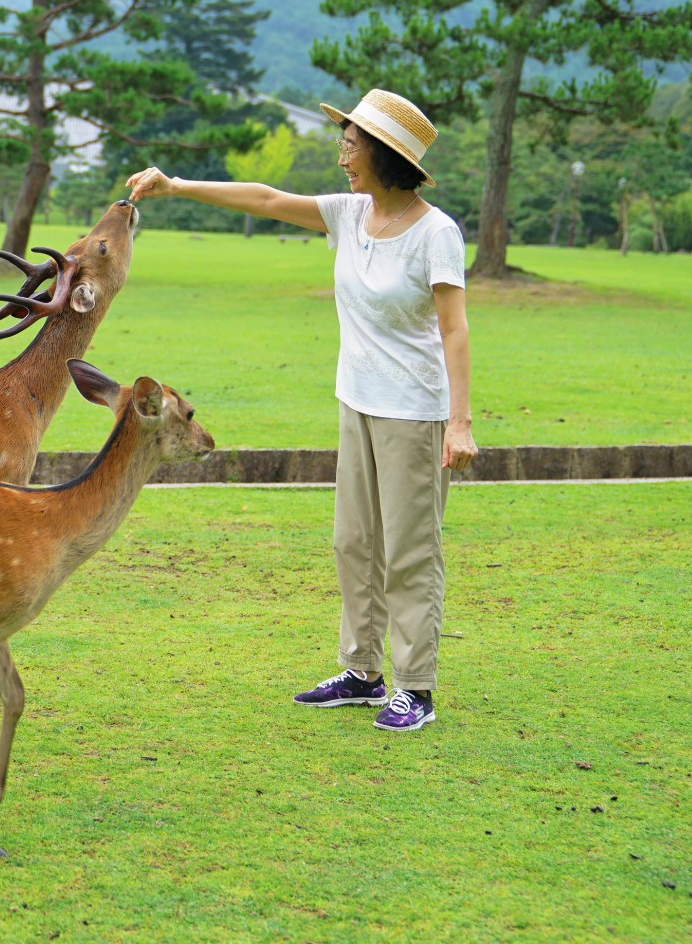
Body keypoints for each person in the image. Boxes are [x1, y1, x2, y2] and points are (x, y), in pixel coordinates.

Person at [125, 89, 477, 733]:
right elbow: (264, 198)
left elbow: (454, 331)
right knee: (353, 543)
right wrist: (175, 186)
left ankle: (416, 687)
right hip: (357, 404)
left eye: (351, 145)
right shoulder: (348, 215)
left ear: (385, 155)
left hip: (414, 415)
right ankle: (362, 671)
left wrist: (460, 422)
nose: (342, 155)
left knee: (408, 550)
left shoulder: (437, 232)